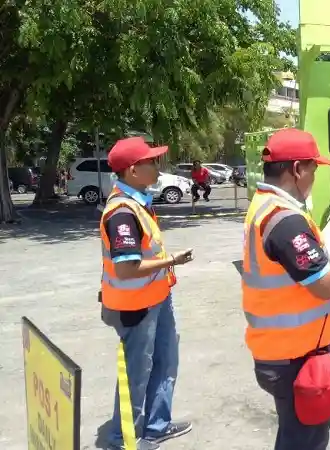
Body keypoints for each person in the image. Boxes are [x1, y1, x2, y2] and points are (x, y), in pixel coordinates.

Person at [241, 128, 330, 450]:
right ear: (297, 169)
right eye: (313, 170)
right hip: (295, 356)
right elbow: (327, 285)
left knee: (296, 436)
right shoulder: (284, 220)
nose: (314, 178)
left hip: (287, 350)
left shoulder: (265, 205)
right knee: (306, 440)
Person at [100, 137, 195, 450]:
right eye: (151, 162)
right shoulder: (122, 213)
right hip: (136, 306)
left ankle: (156, 426)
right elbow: (126, 268)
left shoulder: (139, 202)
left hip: (156, 298)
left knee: (165, 362)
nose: (156, 167)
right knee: (137, 373)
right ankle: (121, 440)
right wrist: (172, 260)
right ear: (132, 171)